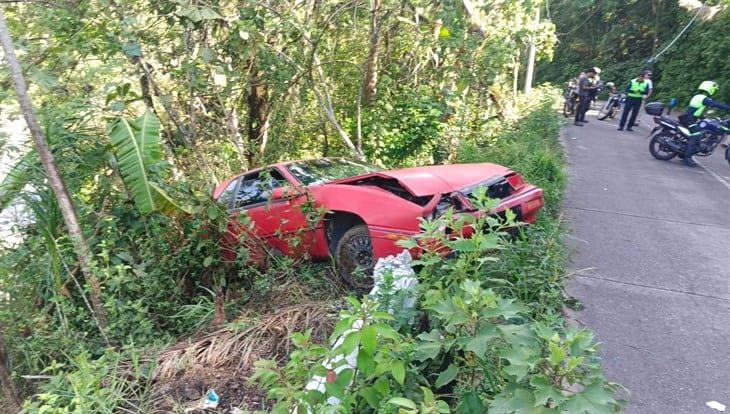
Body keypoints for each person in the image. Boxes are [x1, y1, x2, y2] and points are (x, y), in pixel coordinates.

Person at [681, 80, 730, 167]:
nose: (714, 91)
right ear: (709, 88)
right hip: (690, 120)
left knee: (702, 131)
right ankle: (687, 158)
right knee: (696, 135)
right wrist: (728, 107)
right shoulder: (703, 98)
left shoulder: (698, 96)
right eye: (714, 89)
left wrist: (704, 118)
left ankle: (684, 152)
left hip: (690, 118)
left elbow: (696, 110)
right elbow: (715, 104)